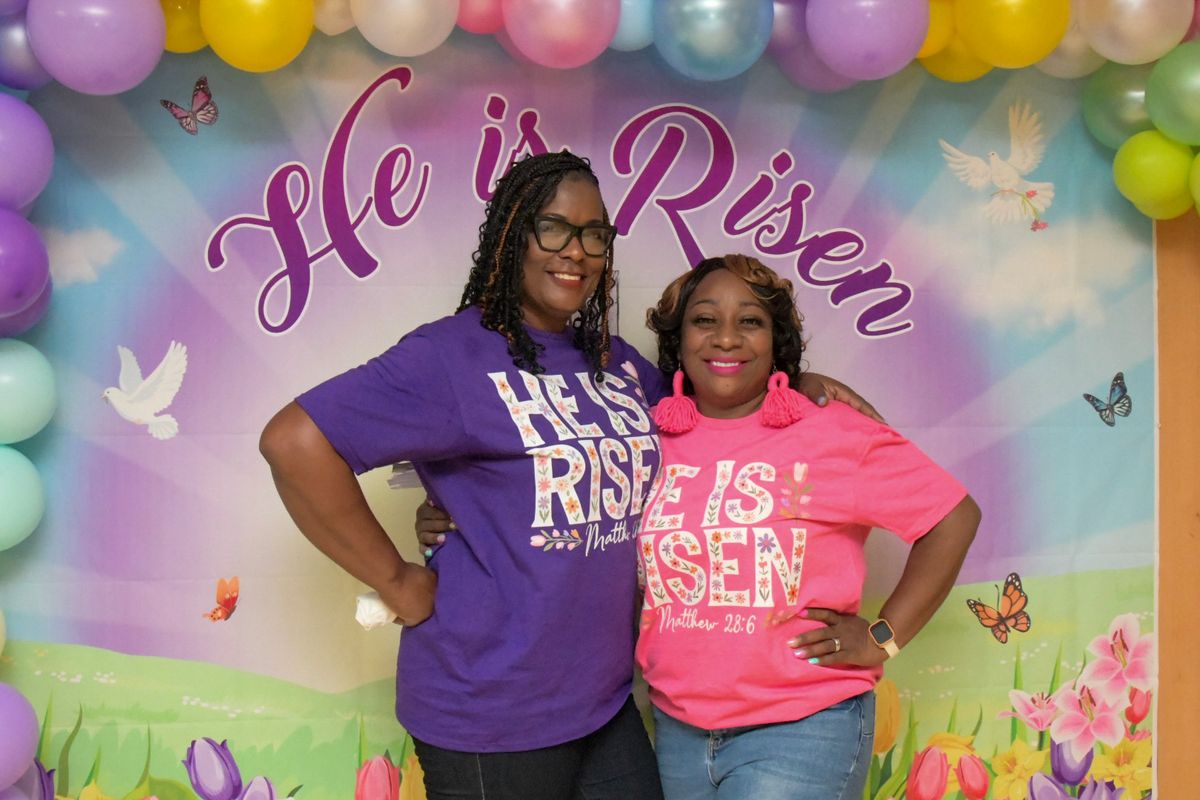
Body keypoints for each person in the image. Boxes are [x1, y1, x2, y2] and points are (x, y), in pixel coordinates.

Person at [260, 151, 876, 800]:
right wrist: (398, 581)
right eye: (553, 228)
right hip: (490, 708)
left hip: (601, 701)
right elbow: (295, 443)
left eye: (593, 234)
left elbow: (711, 413)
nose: (576, 252)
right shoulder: (450, 357)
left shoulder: (614, 362)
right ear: (511, 236)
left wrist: (794, 380)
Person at [636, 254, 980, 799]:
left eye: (750, 321)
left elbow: (953, 516)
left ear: (777, 341)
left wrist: (883, 637)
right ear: (679, 339)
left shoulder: (830, 430)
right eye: (705, 320)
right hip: (678, 731)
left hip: (803, 728)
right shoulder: (646, 439)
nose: (726, 338)